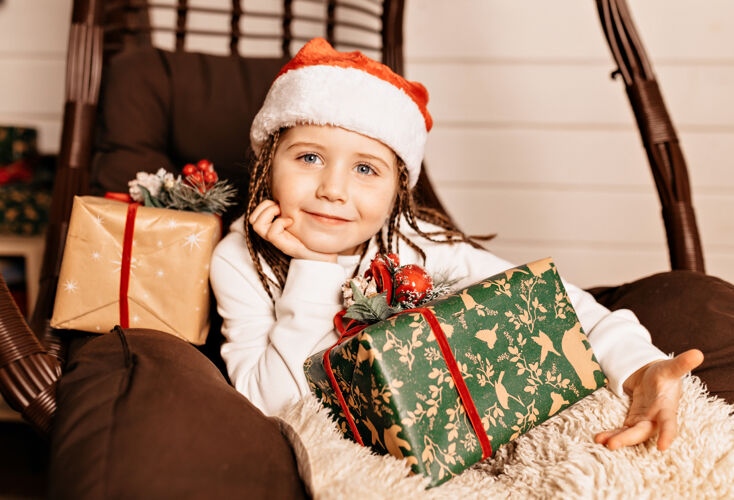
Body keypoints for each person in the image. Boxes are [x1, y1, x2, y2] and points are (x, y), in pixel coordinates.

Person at [209, 37, 703, 453]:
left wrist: (641, 364)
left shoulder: (414, 243)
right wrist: (312, 267)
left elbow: (548, 301)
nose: (332, 189)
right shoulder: (239, 261)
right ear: (268, 164)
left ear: (396, 192)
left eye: (365, 169)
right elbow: (269, 403)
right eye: (310, 157)